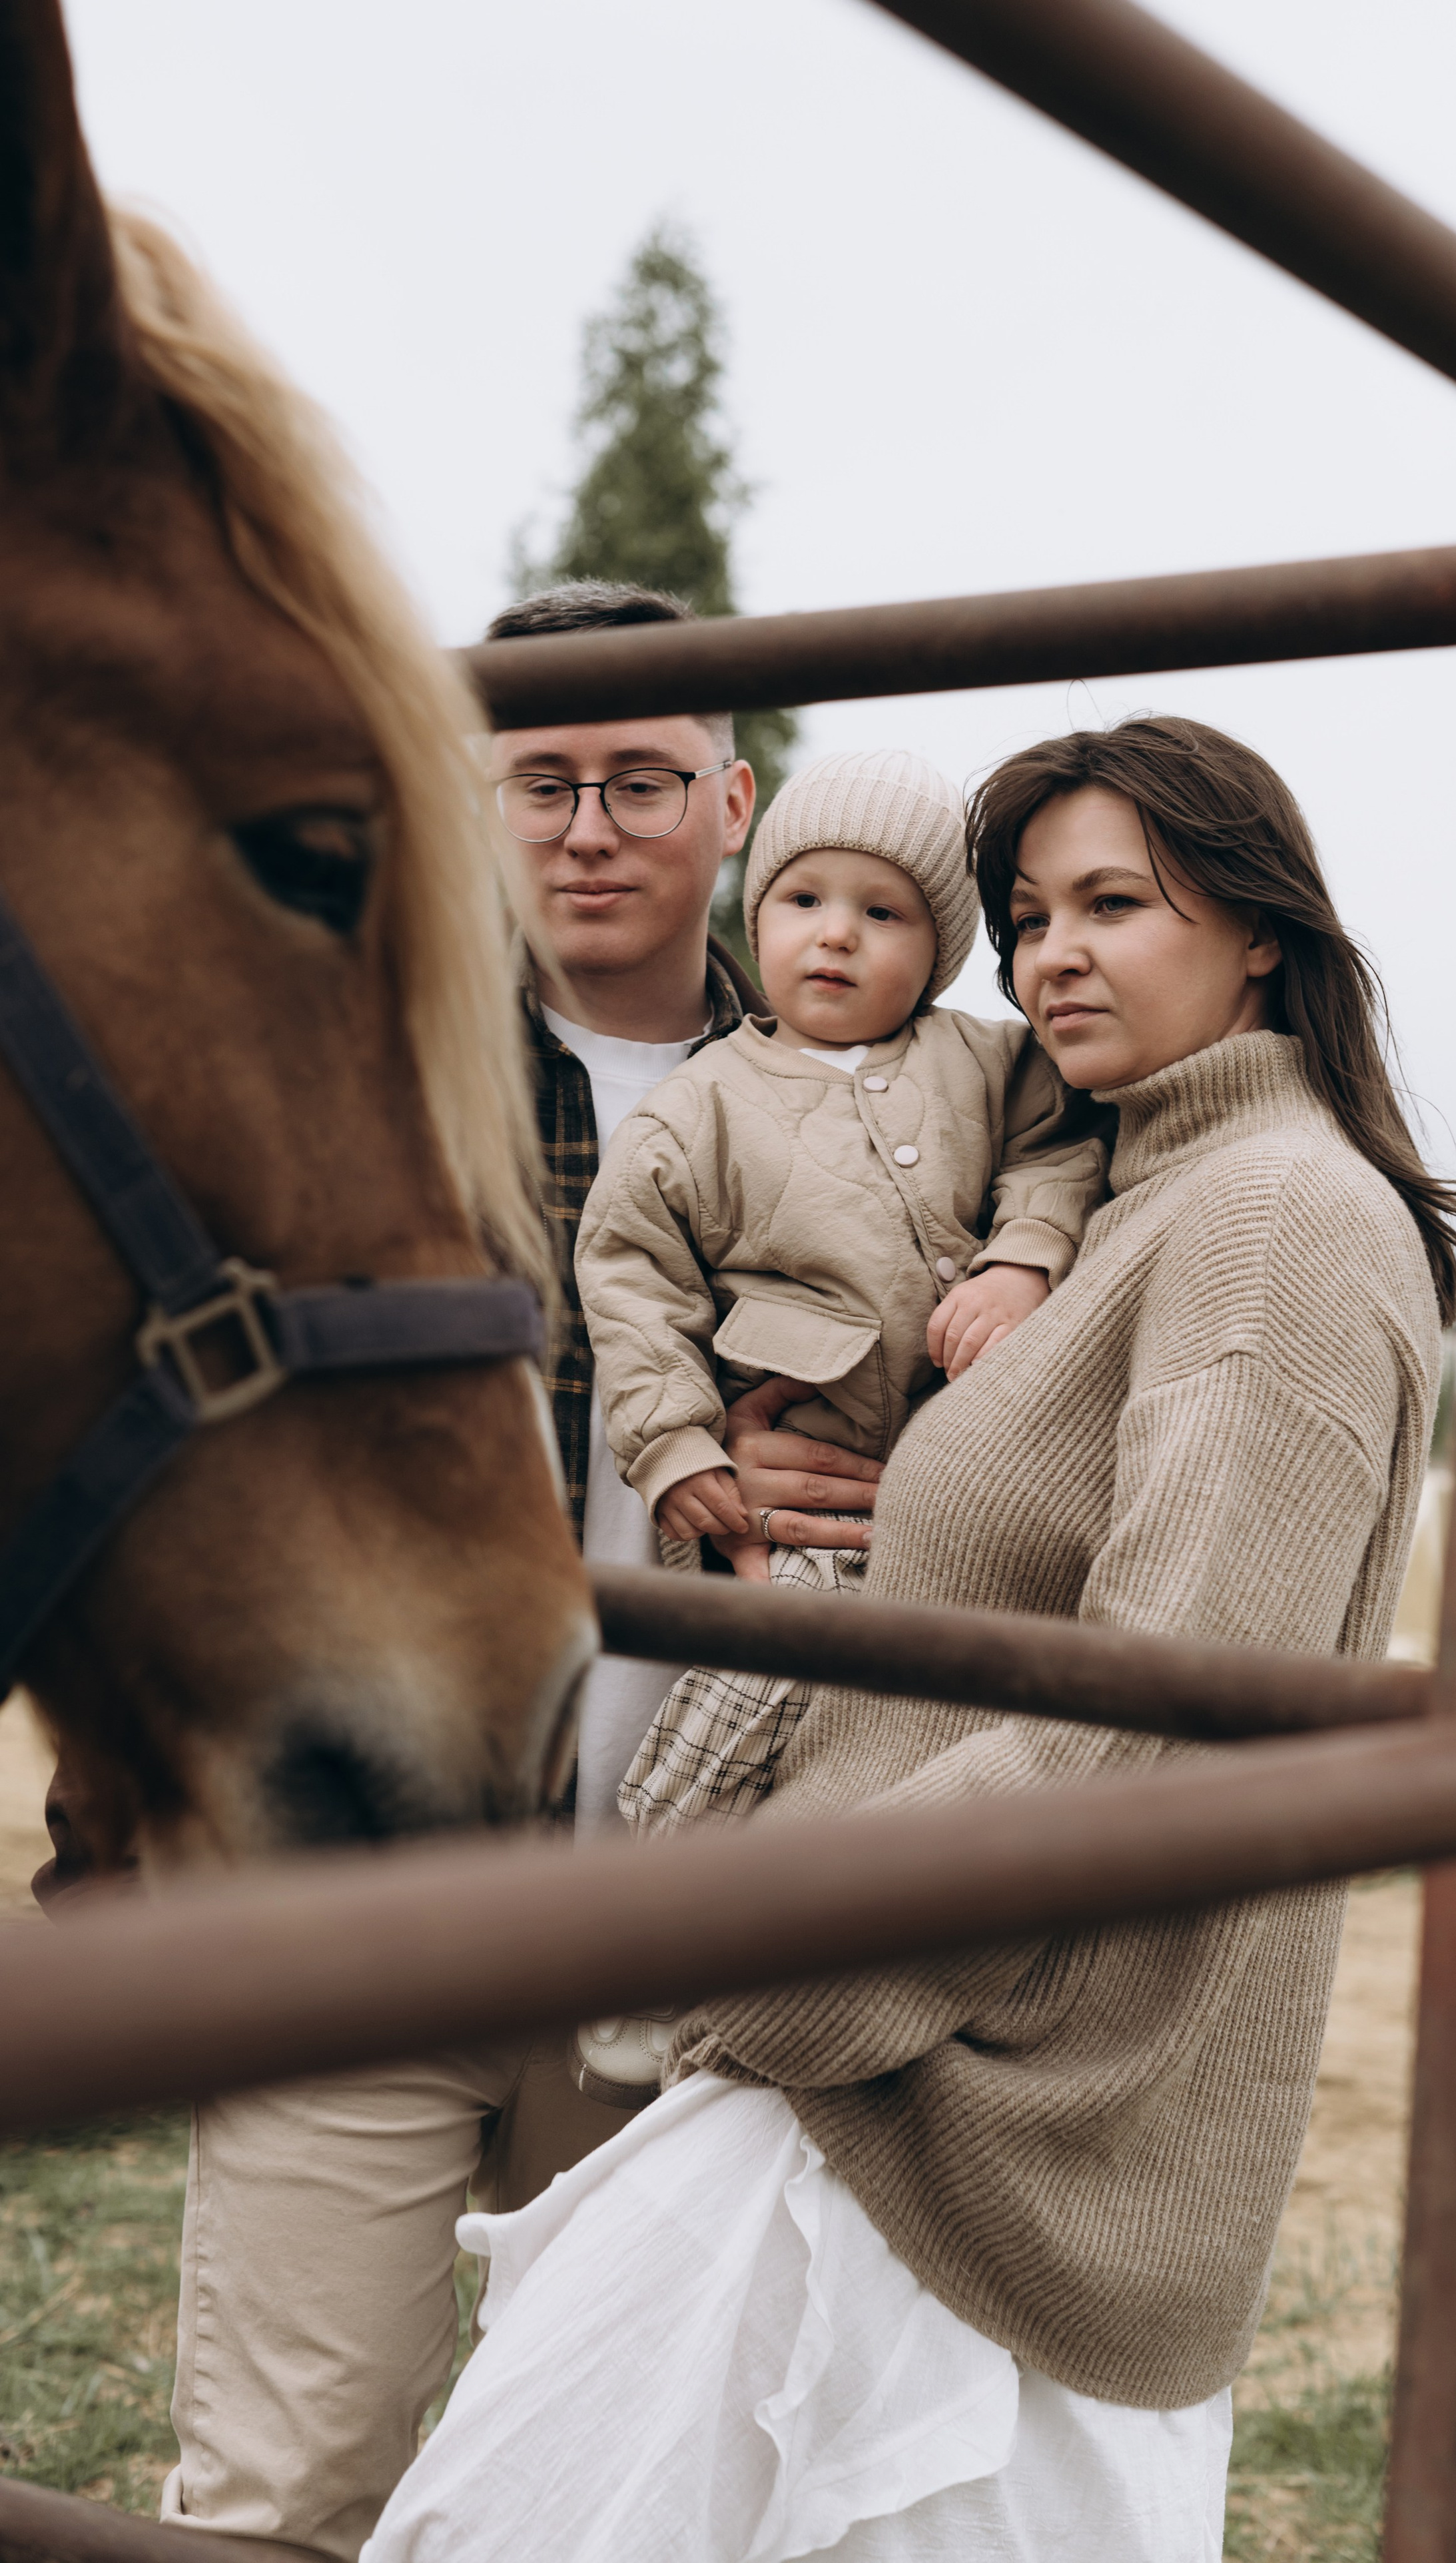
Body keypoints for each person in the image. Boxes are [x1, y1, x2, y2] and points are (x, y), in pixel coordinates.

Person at [362, 713, 1456, 2563]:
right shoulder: (1133, 1196)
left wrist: (791, 1955)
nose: (1056, 959)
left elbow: (1158, 1712)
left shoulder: (1271, 1222)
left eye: (1119, 903)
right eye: (1028, 919)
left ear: (1259, 928)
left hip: (977, 2120)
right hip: (893, 2064)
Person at [157, 582, 874, 2563]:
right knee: (287, 2494)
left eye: (640, 780)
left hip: (698, 1921)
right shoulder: (339, 1077)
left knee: (633, 2504)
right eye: (540, 781)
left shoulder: (882, 1100)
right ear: (470, 805)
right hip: (366, 1888)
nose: (587, 827)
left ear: (735, 803)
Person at [567, 747, 1107, 2105]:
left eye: (883, 914)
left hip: (961, 1485)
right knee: (734, 1720)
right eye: (806, 900)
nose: (836, 936)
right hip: (797, 1489)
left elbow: (1060, 1152)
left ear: (934, 952)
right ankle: (627, 1952)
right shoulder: (703, 1107)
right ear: (759, 915)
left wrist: (1022, 1258)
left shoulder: (987, 1064)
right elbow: (626, 1276)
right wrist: (676, 1444)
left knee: (900, 1765)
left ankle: (851, 1998)